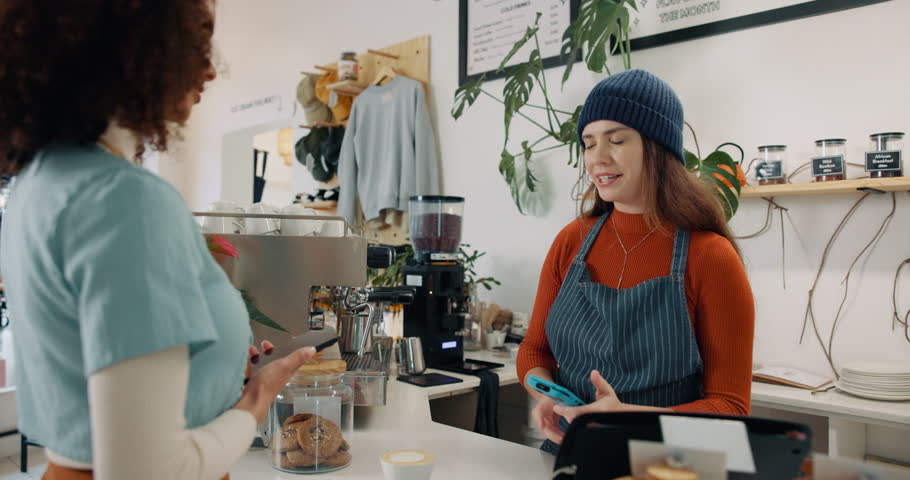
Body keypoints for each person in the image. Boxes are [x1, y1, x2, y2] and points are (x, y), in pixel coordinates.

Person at [0, 2, 316, 479]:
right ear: (128, 48)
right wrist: (256, 400)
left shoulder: (40, 182)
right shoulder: (124, 199)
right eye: (191, 46)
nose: (209, 70)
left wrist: (212, 371)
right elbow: (147, 470)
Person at [517, 69, 755, 454]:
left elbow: (729, 407)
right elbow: (534, 350)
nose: (598, 158)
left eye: (617, 140)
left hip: (667, 463)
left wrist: (627, 416)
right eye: (589, 143)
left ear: (658, 148)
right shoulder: (571, 242)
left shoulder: (710, 256)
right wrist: (546, 391)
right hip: (571, 454)